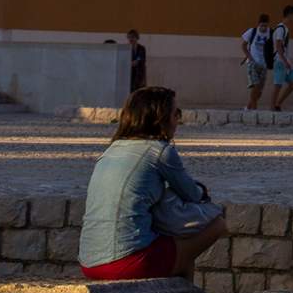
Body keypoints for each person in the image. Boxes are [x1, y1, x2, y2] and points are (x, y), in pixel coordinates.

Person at [80, 87, 227, 280]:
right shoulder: (159, 151)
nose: (178, 121)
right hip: (126, 261)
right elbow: (191, 194)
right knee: (217, 225)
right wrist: (203, 191)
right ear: (160, 118)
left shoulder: (111, 150)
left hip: (89, 263)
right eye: (176, 114)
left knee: (175, 249)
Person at [268, 5, 293, 112]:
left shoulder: (285, 28)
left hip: (285, 60)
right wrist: (285, 61)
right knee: (278, 84)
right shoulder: (281, 28)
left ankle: (278, 103)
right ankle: (272, 108)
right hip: (280, 61)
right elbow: (278, 46)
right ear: (289, 15)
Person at [239, 13, 273, 110]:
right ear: (258, 24)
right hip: (253, 64)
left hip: (264, 64)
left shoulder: (270, 33)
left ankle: (248, 107)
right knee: (256, 86)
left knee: (259, 92)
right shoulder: (252, 31)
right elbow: (243, 46)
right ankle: (255, 111)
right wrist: (250, 58)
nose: (264, 28)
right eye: (262, 25)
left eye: (266, 26)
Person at [126, 29, 147, 94]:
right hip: (129, 76)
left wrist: (136, 61)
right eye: (129, 37)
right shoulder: (126, 49)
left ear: (137, 38)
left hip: (139, 75)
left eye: (132, 37)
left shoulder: (141, 48)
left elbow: (141, 58)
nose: (131, 39)